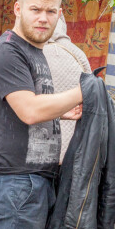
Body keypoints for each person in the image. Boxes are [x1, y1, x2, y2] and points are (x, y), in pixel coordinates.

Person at [0, 0, 83, 229]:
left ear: (59, 15)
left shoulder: (34, 50)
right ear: (18, 8)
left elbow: (19, 109)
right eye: (35, 9)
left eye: (50, 11)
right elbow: (29, 111)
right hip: (13, 185)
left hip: (34, 183)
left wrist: (59, 113)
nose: (42, 18)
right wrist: (86, 90)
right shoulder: (6, 51)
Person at [42, 14, 91, 163]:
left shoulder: (36, 53)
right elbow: (90, 86)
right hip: (74, 123)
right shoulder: (77, 53)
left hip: (44, 124)